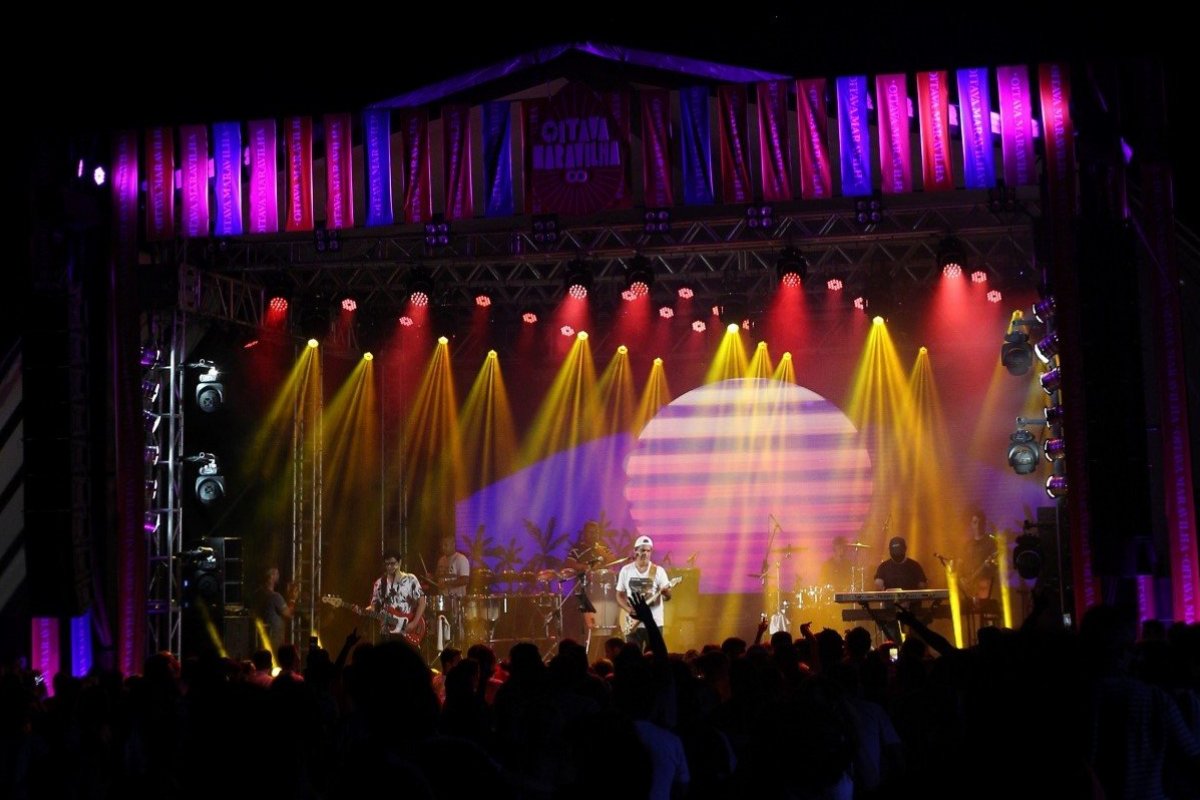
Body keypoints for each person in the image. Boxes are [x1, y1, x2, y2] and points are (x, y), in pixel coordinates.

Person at [616, 535, 673, 651]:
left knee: (653, 657)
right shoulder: (626, 570)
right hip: (632, 622)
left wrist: (666, 592)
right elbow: (619, 595)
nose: (645, 553)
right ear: (635, 551)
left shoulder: (658, 571)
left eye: (648, 551)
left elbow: (668, 596)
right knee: (632, 658)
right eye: (642, 550)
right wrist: (629, 610)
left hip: (653, 623)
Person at [563, 520, 616, 636]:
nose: (594, 535)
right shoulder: (577, 549)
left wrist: (603, 553)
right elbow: (569, 563)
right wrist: (585, 567)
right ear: (584, 534)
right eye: (591, 532)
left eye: (596, 532)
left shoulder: (603, 548)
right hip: (583, 591)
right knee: (584, 625)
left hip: (603, 592)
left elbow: (613, 561)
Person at [873, 536, 928, 643]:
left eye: (898, 549)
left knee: (915, 639)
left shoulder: (914, 566)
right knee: (893, 641)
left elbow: (922, 586)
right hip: (891, 611)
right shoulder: (883, 567)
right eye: (894, 550)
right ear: (890, 551)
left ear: (905, 549)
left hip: (913, 611)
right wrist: (880, 586)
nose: (896, 552)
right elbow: (878, 585)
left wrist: (909, 600)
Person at [367, 550, 427, 644]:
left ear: (399, 562)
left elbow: (422, 603)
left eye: (392, 563)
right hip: (387, 631)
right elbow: (374, 605)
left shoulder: (410, 579)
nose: (390, 567)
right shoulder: (380, 583)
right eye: (387, 564)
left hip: (407, 629)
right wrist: (366, 610)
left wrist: (414, 623)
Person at [434, 533, 470, 644]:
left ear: (453, 544)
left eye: (446, 545)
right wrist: (432, 577)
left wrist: (448, 584)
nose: (443, 548)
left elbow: (465, 580)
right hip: (443, 601)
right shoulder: (441, 560)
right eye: (442, 545)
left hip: (457, 600)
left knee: (457, 627)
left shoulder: (461, 559)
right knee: (444, 628)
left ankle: (459, 646)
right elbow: (438, 577)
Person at [256, 567, 297, 653]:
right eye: (277, 574)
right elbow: (288, 613)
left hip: (261, 637)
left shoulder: (259, 593)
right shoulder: (275, 596)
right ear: (271, 576)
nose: (278, 576)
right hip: (274, 638)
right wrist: (293, 598)